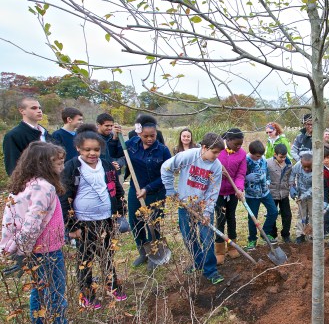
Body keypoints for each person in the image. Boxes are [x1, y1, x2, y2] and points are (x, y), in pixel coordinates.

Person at [0, 142, 68, 324]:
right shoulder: (44, 187)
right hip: (46, 251)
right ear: (44, 164)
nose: (62, 168)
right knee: (55, 295)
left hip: (36, 250)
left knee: (38, 294)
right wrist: (22, 250)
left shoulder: (25, 184)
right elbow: (31, 223)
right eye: (59, 163)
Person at [60, 125, 126, 309]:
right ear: (78, 149)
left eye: (96, 149)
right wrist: (72, 225)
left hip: (105, 218)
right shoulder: (73, 167)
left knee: (107, 254)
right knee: (85, 258)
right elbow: (65, 197)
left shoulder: (105, 165)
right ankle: (87, 293)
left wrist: (120, 209)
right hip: (84, 221)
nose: (92, 153)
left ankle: (111, 284)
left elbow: (116, 187)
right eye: (87, 149)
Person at [161, 133, 225, 284]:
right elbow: (166, 168)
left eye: (218, 153)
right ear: (204, 147)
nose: (216, 156)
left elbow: (213, 191)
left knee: (207, 238)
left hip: (203, 207)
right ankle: (198, 262)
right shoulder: (189, 156)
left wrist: (208, 211)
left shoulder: (216, 166)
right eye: (214, 152)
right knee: (188, 237)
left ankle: (211, 270)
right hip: (185, 205)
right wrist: (170, 190)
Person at [125, 115, 172, 267]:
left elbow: (167, 175)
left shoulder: (163, 151)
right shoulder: (132, 144)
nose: (150, 139)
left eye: (153, 135)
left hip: (155, 192)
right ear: (139, 134)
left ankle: (155, 253)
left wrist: (148, 188)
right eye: (145, 136)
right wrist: (113, 137)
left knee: (154, 223)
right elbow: (114, 150)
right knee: (135, 222)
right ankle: (142, 252)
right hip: (135, 191)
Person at [214, 128, 246, 264]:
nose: (238, 147)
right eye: (236, 144)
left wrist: (239, 188)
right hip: (218, 192)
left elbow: (240, 174)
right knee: (220, 220)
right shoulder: (218, 151)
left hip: (232, 192)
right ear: (227, 140)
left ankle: (232, 247)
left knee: (231, 218)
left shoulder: (242, 154)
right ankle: (220, 251)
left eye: (240, 144)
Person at [3, 96, 53, 176]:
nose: (39, 111)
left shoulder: (45, 134)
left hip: (51, 182)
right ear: (22, 111)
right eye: (34, 108)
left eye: (39, 108)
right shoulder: (13, 136)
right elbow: (13, 168)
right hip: (29, 185)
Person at [244, 140, 278, 250]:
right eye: (257, 156)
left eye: (261, 156)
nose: (259, 158)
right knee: (253, 218)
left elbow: (267, 173)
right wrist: (246, 178)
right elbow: (239, 177)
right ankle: (252, 240)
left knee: (273, 211)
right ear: (251, 153)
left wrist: (267, 182)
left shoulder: (263, 159)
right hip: (252, 195)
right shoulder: (245, 160)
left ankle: (265, 233)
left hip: (265, 192)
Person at [267, 144, 293, 243]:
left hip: (284, 193)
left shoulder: (288, 164)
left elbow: (290, 177)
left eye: (285, 156)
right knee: (273, 214)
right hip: (272, 193)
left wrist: (291, 187)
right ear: (275, 154)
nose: (283, 159)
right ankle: (273, 234)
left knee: (287, 215)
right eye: (281, 157)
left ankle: (286, 234)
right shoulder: (268, 163)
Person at [289, 152, 313, 243]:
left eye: (309, 167)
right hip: (300, 193)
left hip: (312, 195)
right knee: (301, 215)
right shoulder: (298, 165)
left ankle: (311, 234)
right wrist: (292, 186)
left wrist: (303, 196)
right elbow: (292, 174)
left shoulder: (317, 169)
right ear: (301, 163)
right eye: (304, 167)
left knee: (312, 215)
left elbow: (314, 188)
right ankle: (300, 234)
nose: (306, 169)